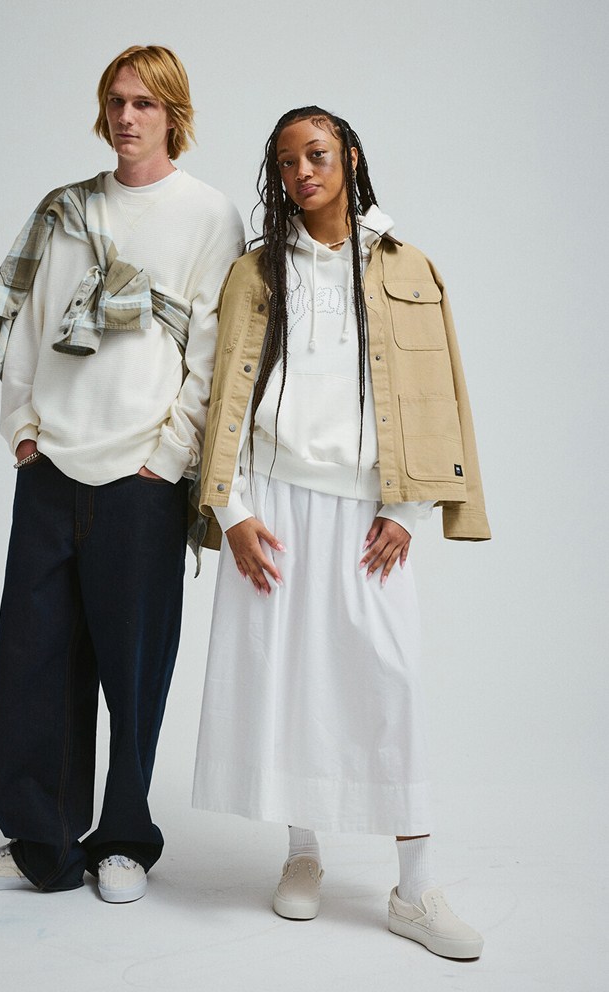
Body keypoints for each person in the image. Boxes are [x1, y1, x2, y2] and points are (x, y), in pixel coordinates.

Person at [192, 106, 490, 959]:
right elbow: (227, 400)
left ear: (351, 156)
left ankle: (415, 888)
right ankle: (302, 854)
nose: (302, 172)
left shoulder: (409, 266)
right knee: (287, 679)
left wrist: (405, 512)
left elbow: (439, 395)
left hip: (368, 513)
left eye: (317, 154)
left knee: (388, 682)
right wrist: (234, 511)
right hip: (274, 505)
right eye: (287, 162)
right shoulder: (256, 273)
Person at [0, 45, 244, 901]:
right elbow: (31, 322)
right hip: (52, 472)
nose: (126, 117)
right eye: (116, 100)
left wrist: (166, 461)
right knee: (33, 662)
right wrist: (24, 431)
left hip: (142, 480)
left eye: (145, 103)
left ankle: (123, 841)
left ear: (173, 114)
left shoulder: (208, 215)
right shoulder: (66, 208)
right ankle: (41, 844)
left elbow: (213, 357)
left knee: (133, 667)